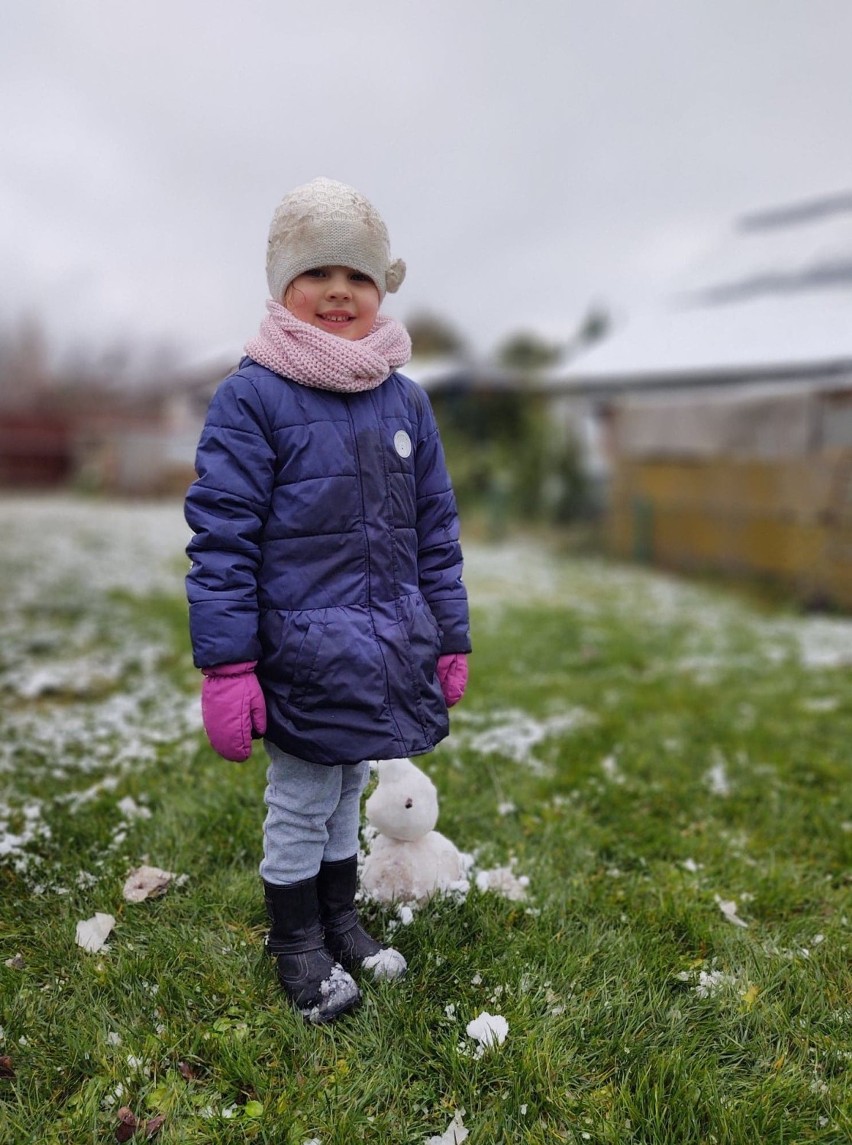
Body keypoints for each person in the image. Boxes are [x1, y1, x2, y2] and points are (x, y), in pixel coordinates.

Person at [185, 177, 471, 1024]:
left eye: (358, 275)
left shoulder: (404, 401)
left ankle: (341, 918)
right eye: (318, 274)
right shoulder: (254, 397)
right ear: (283, 286)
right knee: (304, 797)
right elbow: (223, 536)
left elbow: (435, 530)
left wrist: (447, 635)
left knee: (348, 786)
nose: (339, 291)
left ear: (382, 289)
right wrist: (228, 664)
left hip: (383, 648)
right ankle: (296, 937)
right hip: (299, 650)